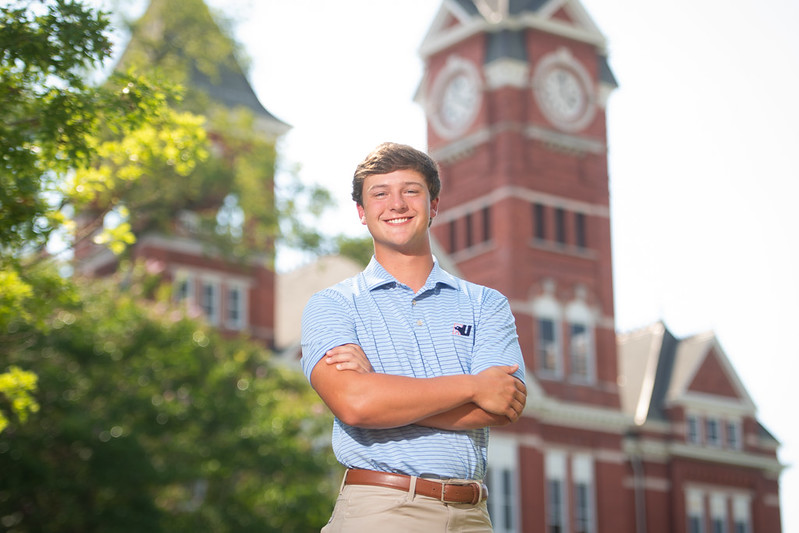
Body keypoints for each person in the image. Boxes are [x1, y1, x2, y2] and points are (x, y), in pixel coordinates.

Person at [301, 142, 527, 532]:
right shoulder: (333, 305)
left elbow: (501, 404)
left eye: (411, 191)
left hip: (473, 516)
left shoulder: (486, 304)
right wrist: (472, 385)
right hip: (381, 511)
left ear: (433, 205)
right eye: (380, 193)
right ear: (362, 212)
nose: (397, 204)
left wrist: (385, 395)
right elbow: (356, 404)